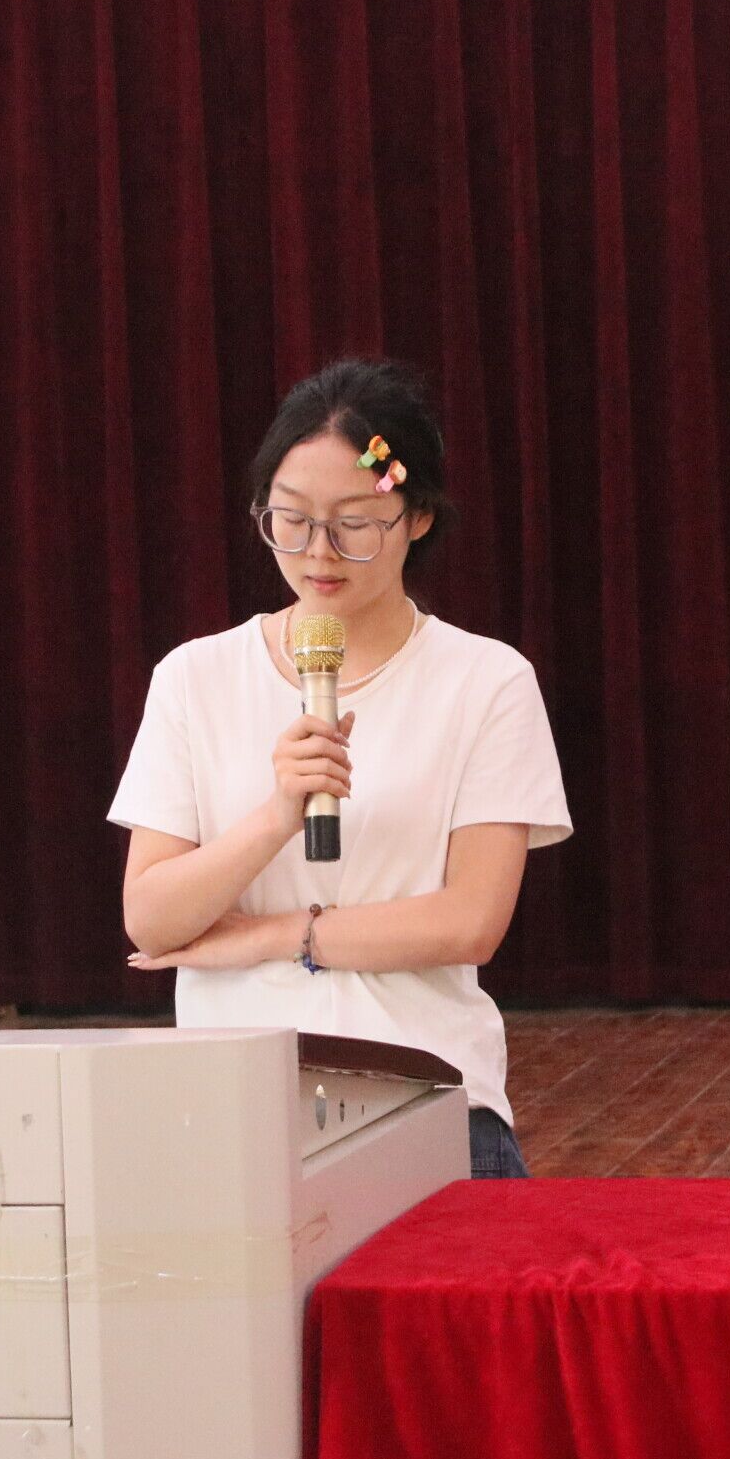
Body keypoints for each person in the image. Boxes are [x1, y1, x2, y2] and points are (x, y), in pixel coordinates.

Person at [107, 357, 571, 1179]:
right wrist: (276, 817)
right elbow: (150, 917)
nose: (317, 552)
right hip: (231, 1106)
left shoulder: (486, 681)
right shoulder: (194, 678)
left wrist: (277, 936)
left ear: (417, 517)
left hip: (425, 1096)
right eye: (291, 519)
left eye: (354, 523)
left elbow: (469, 921)